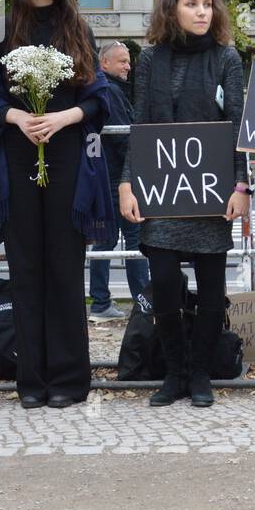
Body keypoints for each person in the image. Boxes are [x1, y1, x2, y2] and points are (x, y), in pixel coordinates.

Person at [0, 0, 115, 409]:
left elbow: (101, 96)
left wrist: (64, 117)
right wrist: (18, 118)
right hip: (15, 161)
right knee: (27, 271)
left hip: (69, 158)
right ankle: (30, 381)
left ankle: (71, 381)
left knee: (65, 270)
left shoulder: (78, 27)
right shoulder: (0, 32)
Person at [118, 0, 250, 408]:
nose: (201, 12)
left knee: (213, 289)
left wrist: (241, 184)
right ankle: (173, 373)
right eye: (192, 4)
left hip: (210, 190)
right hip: (162, 189)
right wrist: (126, 182)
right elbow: (140, 125)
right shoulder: (151, 58)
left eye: (207, 4)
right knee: (166, 285)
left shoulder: (226, 58)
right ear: (172, 9)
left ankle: (200, 374)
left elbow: (236, 126)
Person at [88, 41, 150, 321]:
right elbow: (123, 137)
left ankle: (103, 302)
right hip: (120, 178)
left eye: (128, 61)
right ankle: (138, 303)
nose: (128, 66)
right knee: (133, 241)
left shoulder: (109, 89)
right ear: (105, 64)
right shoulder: (111, 91)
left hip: (112, 176)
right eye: (122, 61)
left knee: (107, 242)